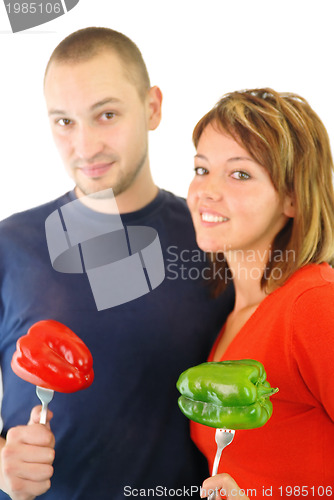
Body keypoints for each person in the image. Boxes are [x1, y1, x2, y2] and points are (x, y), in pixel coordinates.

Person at [0, 27, 234, 500]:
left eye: (106, 115)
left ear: (152, 108)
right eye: (64, 122)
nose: (85, 148)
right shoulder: (10, 246)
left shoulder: (218, 240)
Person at [186, 88, 334, 499]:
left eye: (240, 174)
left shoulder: (314, 307)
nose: (206, 191)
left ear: (292, 197)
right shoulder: (233, 314)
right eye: (201, 169)